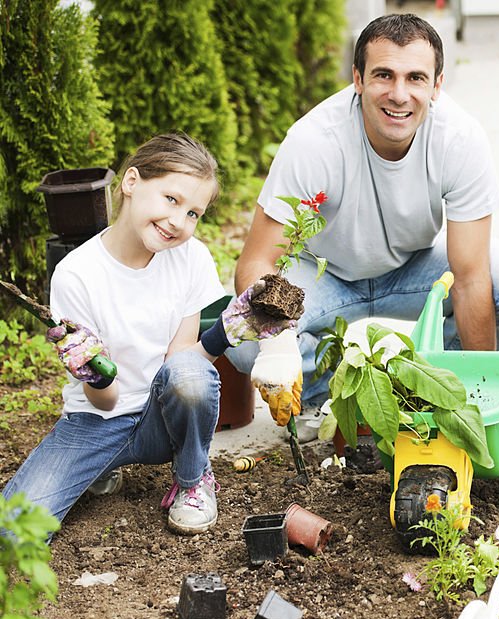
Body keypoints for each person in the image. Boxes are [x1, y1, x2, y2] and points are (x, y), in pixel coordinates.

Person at [225, 14, 499, 435]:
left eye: (416, 78)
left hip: (414, 265)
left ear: (437, 85)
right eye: (383, 75)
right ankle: (323, 397)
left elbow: (471, 277)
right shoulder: (314, 140)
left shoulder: (459, 139)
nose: (399, 94)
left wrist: (475, 400)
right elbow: (258, 260)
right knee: (245, 337)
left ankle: (440, 393)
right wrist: (278, 344)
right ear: (357, 77)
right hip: (323, 272)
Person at [1, 133, 293, 536]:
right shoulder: (76, 273)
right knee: (15, 530)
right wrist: (95, 374)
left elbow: (182, 369)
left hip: (162, 418)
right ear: (132, 182)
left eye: (194, 213)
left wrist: (227, 332)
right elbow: (105, 400)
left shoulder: (190, 258)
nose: (178, 221)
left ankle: (192, 481)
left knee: (190, 379)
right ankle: (98, 467)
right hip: (98, 420)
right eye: (171, 199)